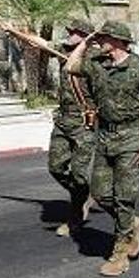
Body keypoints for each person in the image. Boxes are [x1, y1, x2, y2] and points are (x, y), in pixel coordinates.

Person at [66, 20, 139, 277]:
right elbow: (70, 65)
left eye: (104, 36)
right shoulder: (98, 65)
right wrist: (87, 40)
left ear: (118, 40)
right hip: (105, 136)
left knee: (124, 196)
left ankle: (120, 254)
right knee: (99, 191)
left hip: (131, 138)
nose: (100, 40)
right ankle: (133, 224)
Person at [46, 19, 99, 237]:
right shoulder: (64, 52)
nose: (69, 33)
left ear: (85, 36)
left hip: (83, 122)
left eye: (74, 31)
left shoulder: (95, 58)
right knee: (56, 167)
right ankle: (83, 195)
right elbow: (40, 43)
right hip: (63, 120)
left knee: (79, 174)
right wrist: (11, 29)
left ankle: (75, 215)